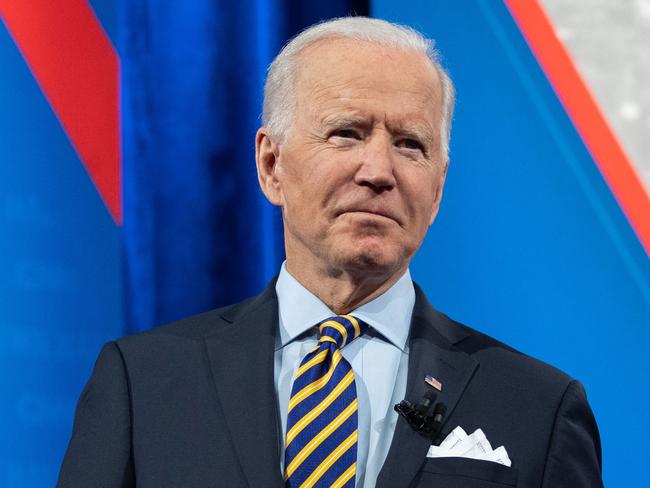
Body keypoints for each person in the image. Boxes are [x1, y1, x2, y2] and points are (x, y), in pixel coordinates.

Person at [57, 16, 603, 488]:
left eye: (410, 144)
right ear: (272, 166)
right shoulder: (142, 382)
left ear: (437, 189)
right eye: (346, 133)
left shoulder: (538, 407)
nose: (379, 172)